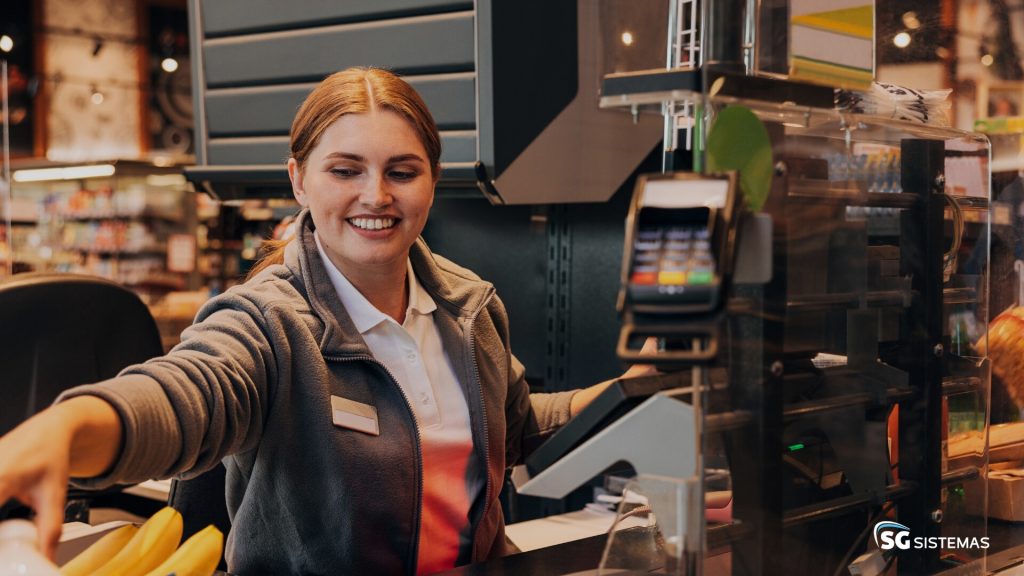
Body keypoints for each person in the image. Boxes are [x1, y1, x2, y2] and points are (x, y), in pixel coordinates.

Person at [0, 67, 653, 575]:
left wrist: (633, 391)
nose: (377, 195)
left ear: (432, 181)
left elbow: (512, 427)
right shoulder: (268, 323)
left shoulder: (469, 306)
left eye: (403, 171)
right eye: (346, 170)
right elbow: (183, 394)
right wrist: (66, 427)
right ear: (299, 180)